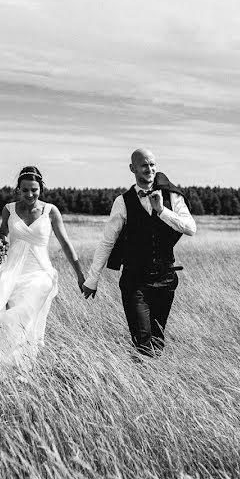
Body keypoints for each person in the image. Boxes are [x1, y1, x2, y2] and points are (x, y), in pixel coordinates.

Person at [0, 166, 85, 367]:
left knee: (25, 311)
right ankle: (14, 365)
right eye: (25, 190)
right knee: (14, 319)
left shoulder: (50, 211)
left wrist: (79, 274)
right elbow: (2, 232)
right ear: (18, 190)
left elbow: (65, 244)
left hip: (41, 273)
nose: (30, 194)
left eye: (34, 189)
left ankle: (23, 363)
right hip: (12, 272)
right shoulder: (9, 209)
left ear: (41, 188)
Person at [81, 148, 196, 356]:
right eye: (144, 165)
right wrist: (92, 279)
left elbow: (191, 228)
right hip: (135, 281)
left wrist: (162, 211)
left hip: (165, 279)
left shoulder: (171, 196)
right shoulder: (122, 201)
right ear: (133, 168)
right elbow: (107, 242)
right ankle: (143, 375)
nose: (149, 169)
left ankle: (154, 384)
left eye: (152, 164)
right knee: (142, 340)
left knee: (157, 339)